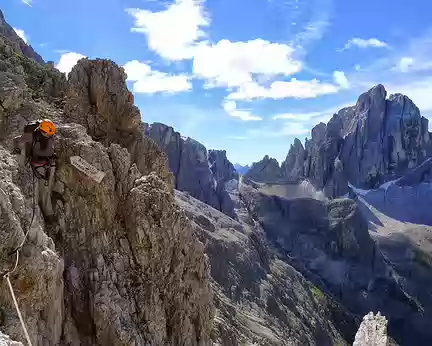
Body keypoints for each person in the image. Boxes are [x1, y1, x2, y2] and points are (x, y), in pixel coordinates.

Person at [12, 119, 57, 220]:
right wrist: (18, 150)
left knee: (46, 188)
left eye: (51, 135)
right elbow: (16, 139)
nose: (49, 136)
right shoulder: (31, 136)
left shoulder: (49, 136)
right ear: (42, 131)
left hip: (48, 164)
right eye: (48, 134)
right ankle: (46, 213)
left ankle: (47, 211)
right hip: (38, 166)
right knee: (41, 189)